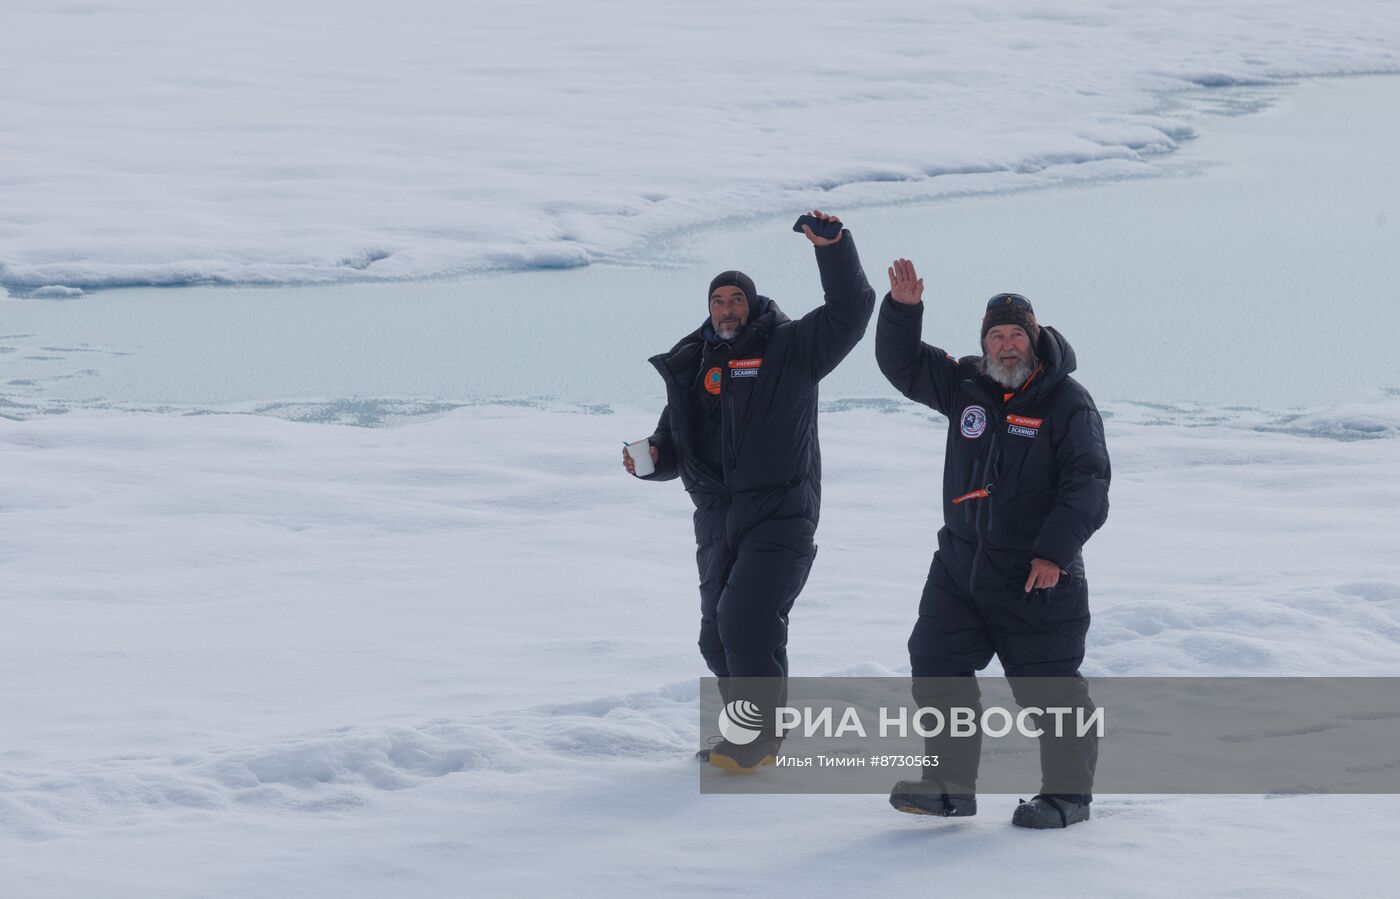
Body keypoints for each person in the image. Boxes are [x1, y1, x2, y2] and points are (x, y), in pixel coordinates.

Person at [623, 210, 876, 771]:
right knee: (717, 638)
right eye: (719, 301)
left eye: (737, 300)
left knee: (746, 623)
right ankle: (753, 731)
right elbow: (675, 442)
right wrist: (652, 459)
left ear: (753, 304)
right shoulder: (695, 364)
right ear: (708, 309)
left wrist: (833, 248)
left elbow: (851, 312)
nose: (728, 309)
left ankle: (757, 740)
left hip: (782, 513)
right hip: (717, 518)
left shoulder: (791, 348)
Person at [875, 259, 1110, 828]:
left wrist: (1054, 553)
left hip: (1034, 574)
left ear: (1035, 339)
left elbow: (1088, 484)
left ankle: (1068, 797)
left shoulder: (1066, 402)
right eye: (996, 336)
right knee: (935, 662)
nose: (1006, 346)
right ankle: (949, 786)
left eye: (1015, 336)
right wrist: (904, 311)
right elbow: (902, 364)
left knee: (1048, 689)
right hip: (960, 564)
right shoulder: (967, 386)